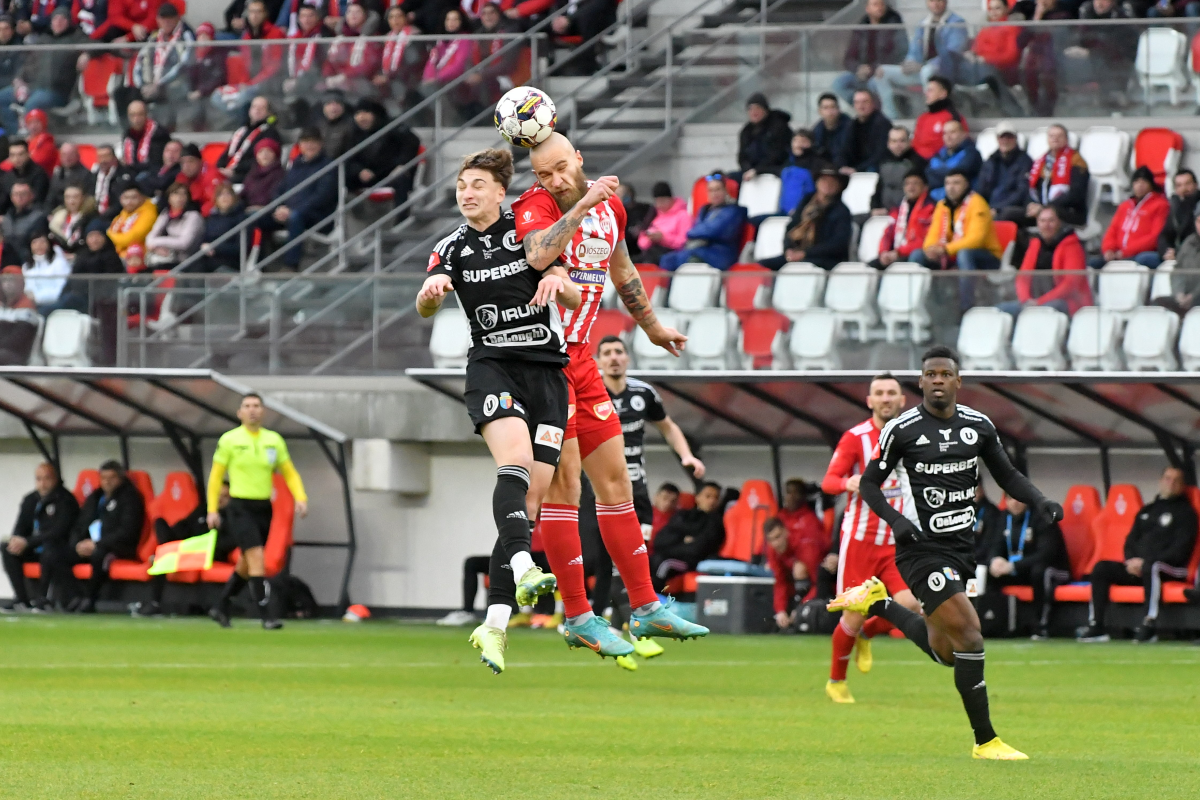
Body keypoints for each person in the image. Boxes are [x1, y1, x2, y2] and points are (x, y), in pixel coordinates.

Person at [515, 130, 707, 663]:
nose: (553, 179)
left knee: (616, 480)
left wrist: (652, 328)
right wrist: (580, 202)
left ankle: (646, 605)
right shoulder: (535, 206)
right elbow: (537, 256)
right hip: (543, 362)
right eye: (543, 173)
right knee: (565, 485)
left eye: (559, 168)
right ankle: (577, 616)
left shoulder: (611, 210)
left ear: (577, 158)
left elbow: (622, 272)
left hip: (583, 358)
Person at [830, 345, 1064, 759]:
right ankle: (986, 741)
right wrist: (897, 522)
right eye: (930, 374)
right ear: (920, 382)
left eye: (945, 373)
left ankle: (879, 603)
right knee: (971, 636)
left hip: (961, 551)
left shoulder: (978, 425)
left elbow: (1006, 474)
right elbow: (868, 484)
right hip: (920, 551)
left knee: (947, 653)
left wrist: (1041, 501)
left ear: (958, 381)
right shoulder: (901, 430)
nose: (937, 379)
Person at [415, 148, 578, 673]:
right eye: (461, 185)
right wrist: (431, 292)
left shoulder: (529, 229)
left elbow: (574, 293)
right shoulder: (451, 247)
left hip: (548, 376)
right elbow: (423, 303)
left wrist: (558, 283)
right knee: (514, 462)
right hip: (493, 367)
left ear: (499, 191)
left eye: (477, 184)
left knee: (528, 504)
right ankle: (527, 567)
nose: (466, 193)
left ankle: (494, 624)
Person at [596, 334, 704, 649]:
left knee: (635, 557)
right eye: (607, 353)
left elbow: (668, 426)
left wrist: (686, 455)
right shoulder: (590, 392)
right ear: (599, 361)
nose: (614, 357)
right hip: (600, 488)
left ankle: (621, 629)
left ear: (627, 358)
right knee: (608, 560)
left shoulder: (643, 393)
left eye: (619, 352)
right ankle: (630, 625)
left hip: (636, 491)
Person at [819, 373, 921, 703]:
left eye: (892, 392)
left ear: (903, 400)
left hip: (897, 541)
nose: (886, 398)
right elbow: (829, 481)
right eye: (879, 393)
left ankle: (868, 633)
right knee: (853, 613)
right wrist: (851, 482)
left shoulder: (914, 437)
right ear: (870, 401)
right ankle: (836, 681)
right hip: (860, 541)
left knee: (912, 604)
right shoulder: (855, 438)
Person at [208, 393, 310, 630]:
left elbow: (289, 472)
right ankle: (266, 615)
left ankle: (221, 606)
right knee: (257, 559)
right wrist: (212, 508)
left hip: (263, 507)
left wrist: (301, 497)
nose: (252, 410)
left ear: (263, 412)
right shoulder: (230, 440)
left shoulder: (273, 440)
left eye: (256, 406)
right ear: (239, 413)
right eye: (247, 406)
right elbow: (215, 477)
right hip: (239, 506)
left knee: (246, 563)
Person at [1078, 466, 1197, 644]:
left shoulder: (1186, 513)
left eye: (1176, 480)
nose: (1170, 484)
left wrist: (1146, 562)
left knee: (1153, 567)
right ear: (1160, 481)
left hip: (1172, 568)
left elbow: (1180, 549)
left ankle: (1149, 623)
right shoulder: (1146, 511)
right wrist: (1131, 561)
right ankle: (1096, 625)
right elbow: (1131, 541)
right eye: (1167, 479)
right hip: (1141, 568)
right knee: (1101, 567)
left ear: (1182, 486)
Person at [981, 493, 1070, 640]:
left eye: (1018, 498)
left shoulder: (1043, 516)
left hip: (1055, 569)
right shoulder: (1003, 517)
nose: (1014, 502)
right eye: (1009, 499)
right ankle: (994, 621)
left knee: (1040, 572)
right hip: (1019, 569)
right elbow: (995, 545)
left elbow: (1046, 554)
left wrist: (1013, 566)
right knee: (988, 572)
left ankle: (1041, 625)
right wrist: (995, 560)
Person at [63, 460, 145, 613]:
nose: (107, 481)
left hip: (118, 547)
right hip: (90, 545)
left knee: (99, 555)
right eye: (103, 477)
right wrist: (77, 544)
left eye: (112, 477)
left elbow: (127, 531)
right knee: (57, 554)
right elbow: (80, 524)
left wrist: (98, 544)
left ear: (121, 478)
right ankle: (74, 597)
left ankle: (90, 600)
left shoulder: (130, 498)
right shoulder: (95, 497)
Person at [1, 463, 79, 612]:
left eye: (47, 479)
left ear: (56, 479)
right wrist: (16, 540)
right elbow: (20, 527)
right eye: (38, 479)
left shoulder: (65, 500)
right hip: (34, 548)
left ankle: (42, 599)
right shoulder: (30, 499)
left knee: (50, 549)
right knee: (7, 548)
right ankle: (21, 599)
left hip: (58, 548)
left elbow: (58, 531)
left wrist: (28, 542)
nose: (42, 484)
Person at [918, 170, 1001, 310]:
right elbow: (933, 232)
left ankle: (966, 307)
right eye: (947, 183)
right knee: (918, 255)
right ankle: (928, 307)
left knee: (965, 254)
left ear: (966, 185)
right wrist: (930, 248)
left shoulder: (977, 204)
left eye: (956, 183)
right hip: (953, 252)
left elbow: (976, 240)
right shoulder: (942, 205)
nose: (951, 187)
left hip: (986, 256)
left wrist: (945, 249)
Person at [873, 0, 968, 120]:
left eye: (939, 1)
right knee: (882, 72)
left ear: (945, 2)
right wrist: (910, 62)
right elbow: (914, 50)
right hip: (922, 70)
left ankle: (930, 114)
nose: (935, 4)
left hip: (945, 71)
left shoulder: (957, 22)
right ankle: (891, 116)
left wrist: (924, 66)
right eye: (931, 1)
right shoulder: (923, 23)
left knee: (926, 71)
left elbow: (953, 53)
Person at [997, 206, 1092, 317]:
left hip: (1066, 303)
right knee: (1001, 310)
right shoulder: (1035, 244)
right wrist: (1025, 301)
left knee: (1049, 309)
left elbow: (1070, 285)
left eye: (1051, 220)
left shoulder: (1072, 246)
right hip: (1033, 302)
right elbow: (1023, 277)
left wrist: (1039, 302)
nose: (1046, 225)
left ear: (1059, 222)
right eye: (1042, 221)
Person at [0, 8, 83, 134]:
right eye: (55, 19)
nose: (58, 22)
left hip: (56, 91)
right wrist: (18, 80)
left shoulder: (76, 38)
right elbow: (28, 63)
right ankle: (16, 134)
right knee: (2, 98)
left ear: (68, 22)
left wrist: (88, 53)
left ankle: (30, 138)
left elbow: (99, 45)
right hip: (33, 87)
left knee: (32, 104)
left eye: (62, 19)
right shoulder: (43, 40)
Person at [211, 0, 286, 125]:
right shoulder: (246, 36)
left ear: (265, 14)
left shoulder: (275, 33)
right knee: (217, 96)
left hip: (269, 82)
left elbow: (275, 65)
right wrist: (242, 82)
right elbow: (244, 64)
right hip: (248, 83)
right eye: (251, 12)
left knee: (244, 95)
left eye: (258, 12)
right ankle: (237, 119)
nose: (254, 15)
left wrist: (252, 83)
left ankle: (240, 123)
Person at [272, 127, 338, 269]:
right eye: (305, 141)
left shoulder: (328, 166)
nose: (309, 145)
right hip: (289, 212)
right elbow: (279, 190)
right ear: (300, 145)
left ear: (321, 144)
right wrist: (279, 207)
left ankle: (291, 265)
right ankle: (256, 265)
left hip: (317, 216)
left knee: (296, 217)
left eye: (313, 142)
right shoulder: (295, 165)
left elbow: (322, 197)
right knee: (255, 217)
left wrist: (292, 210)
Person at [762, 167, 852, 271]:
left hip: (825, 259)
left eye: (832, 182)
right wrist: (788, 250)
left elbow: (838, 244)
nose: (827, 184)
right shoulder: (806, 202)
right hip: (798, 253)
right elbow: (791, 228)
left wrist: (805, 253)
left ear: (839, 187)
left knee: (802, 267)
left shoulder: (841, 211)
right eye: (824, 180)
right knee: (762, 265)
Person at [659, 173, 747, 272]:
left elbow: (711, 230)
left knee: (687, 259)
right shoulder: (705, 210)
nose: (714, 193)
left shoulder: (734, 211)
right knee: (667, 259)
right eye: (711, 190)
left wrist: (692, 232)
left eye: (718, 189)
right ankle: (669, 287)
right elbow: (702, 230)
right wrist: (697, 232)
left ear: (725, 191)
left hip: (720, 255)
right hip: (701, 250)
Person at [127, 3, 193, 128]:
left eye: (170, 18)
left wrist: (159, 84)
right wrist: (142, 85)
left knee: (168, 93)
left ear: (177, 19)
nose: (166, 22)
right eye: (163, 19)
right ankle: (132, 131)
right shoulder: (153, 38)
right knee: (122, 93)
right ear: (158, 20)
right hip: (150, 85)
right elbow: (139, 61)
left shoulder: (186, 36)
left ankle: (162, 130)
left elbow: (183, 65)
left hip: (174, 84)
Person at [650, 481, 725, 591]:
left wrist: (674, 543)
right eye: (708, 496)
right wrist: (682, 539)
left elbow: (698, 549)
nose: (712, 501)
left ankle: (653, 599)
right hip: (670, 555)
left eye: (716, 497)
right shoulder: (683, 514)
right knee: (649, 561)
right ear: (697, 497)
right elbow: (660, 540)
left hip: (691, 561)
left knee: (663, 563)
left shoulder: (716, 522)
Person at [345, 98, 422, 202]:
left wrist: (402, 164)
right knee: (337, 179)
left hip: (390, 175)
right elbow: (350, 158)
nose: (361, 117)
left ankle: (402, 217)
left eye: (366, 112)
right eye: (358, 113)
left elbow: (412, 142)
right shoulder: (355, 133)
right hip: (368, 176)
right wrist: (359, 170)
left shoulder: (392, 126)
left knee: (401, 179)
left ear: (376, 114)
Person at [832, 0, 907, 105]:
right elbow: (849, 57)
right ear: (867, 8)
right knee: (839, 83)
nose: (879, 7)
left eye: (882, 4)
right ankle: (862, 107)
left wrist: (873, 68)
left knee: (874, 84)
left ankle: (873, 111)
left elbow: (899, 53)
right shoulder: (861, 28)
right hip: (862, 72)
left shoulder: (894, 25)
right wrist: (858, 68)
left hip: (881, 72)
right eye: (875, 4)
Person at [1093, 167, 1170, 269]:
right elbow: (1112, 230)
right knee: (1093, 263)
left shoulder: (1161, 205)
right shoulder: (1124, 206)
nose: (1140, 185)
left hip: (1141, 253)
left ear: (1151, 184)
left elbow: (1155, 237)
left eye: (1144, 181)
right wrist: (1109, 250)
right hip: (1118, 254)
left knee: (1144, 259)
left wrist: (1125, 252)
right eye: (1136, 181)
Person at [953, 0, 1022, 114]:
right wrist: (970, 54)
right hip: (979, 68)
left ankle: (1013, 111)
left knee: (989, 73)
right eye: (991, 9)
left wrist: (986, 59)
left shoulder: (1012, 28)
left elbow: (1011, 56)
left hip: (1001, 69)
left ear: (1006, 9)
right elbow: (975, 49)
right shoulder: (985, 29)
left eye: (997, 8)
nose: (993, 12)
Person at [1067, 0, 1136, 110]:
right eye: (1096, 0)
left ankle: (1110, 102)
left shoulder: (1122, 17)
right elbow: (1080, 36)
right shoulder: (1087, 12)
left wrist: (1091, 51)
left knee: (1099, 60)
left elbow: (1117, 45)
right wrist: (1078, 47)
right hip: (1091, 58)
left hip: (1118, 60)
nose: (1099, 4)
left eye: (1104, 0)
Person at [1025, 124, 1089, 228]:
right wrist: (1031, 204)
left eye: (1059, 136)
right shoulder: (1041, 162)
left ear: (1066, 139)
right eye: (1052, 136)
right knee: (1010, 214)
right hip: (1041, 210)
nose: (1055, 139)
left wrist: (1045, 208)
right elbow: (1032, 189)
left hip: (1069, 211)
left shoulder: (1076, 161)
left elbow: (1076, 194)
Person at [871, 170, 934, 270]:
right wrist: (883, 252)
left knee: (913, 258)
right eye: (907, 184)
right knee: (871, 266)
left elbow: (925, 240)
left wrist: (899, 252)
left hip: (914, 253)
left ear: (925, 187)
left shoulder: (931, 208)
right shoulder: (897, 210)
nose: (911, 187)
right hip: (896, 253)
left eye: (915, 183)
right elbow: (887, 234)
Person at [419, 8, 476, 113]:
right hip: (439, 82)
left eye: (455, 19)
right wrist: (427, 79)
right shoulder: (441, 41)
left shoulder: (465, 39)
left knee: (428, 90)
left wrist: (436, 79)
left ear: (461, 21)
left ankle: (450, 121)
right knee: (419, 90)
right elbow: (431, 62)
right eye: (448, 19)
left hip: (457, 81)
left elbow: (458, 66)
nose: (451, 23)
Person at [217, 95, 282, 185]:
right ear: (249, 110)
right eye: (254, 107)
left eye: (262, 108)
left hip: (250, 176)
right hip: (230, 172)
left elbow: (262, 160)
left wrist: (235, 170)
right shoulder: (241, 131)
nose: (257, 110)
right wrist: (220, 167)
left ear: (268, 113)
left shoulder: (269, 133)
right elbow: (227, 153)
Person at [975, 121, 1032, 221]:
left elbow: (1022, 192)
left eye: (1009, 137)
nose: (1005, 140)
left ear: (1015, 139)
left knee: (1006, 214)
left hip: (1012, 208)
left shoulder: (1025, 161)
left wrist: (997, 208)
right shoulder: (990, 161)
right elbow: (981, 188)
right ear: (997, 139)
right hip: (990, 207)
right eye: (1002, 137)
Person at [375, 3, 425, 107]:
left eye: (399, 16)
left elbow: (414, 63)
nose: (395, 20)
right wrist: (380, 75)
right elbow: (379, 61)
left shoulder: (415, 36)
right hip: (390, 79)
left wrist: (389, 77)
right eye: (391, 17)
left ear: (405, 18)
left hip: (409, 80)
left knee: (396, 88)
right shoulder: (387, 39)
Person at [737, 93, 792, 183]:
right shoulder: (746, 131)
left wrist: (758, 170)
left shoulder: (778, 126)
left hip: (775, 169)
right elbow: (742, 157)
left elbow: (778, 155)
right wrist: (747, 169)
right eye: (750, 109)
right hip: (751, 171)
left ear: (765, 110)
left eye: (757, 108)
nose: (754, 112)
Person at [145, 182, 203, 268]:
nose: (180, 197)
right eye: (176, 194)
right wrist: (156, 248)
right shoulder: (165, 214)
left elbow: (184, 243)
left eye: (184, 194)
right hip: (166, 258)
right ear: (169, 198)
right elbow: (149, 240)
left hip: (187, 262)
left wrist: (158, 242)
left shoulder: (193, 216)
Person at [870, 126, 926, 214]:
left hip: (907, 213)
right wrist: (874, 207)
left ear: (910, 142)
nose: (898, 145)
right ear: (888, 143)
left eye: (902, 141)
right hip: (882, 211)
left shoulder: (918, 163)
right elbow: (879, 188)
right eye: (894, 141)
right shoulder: (883, 161)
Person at [912, 76, 966, 161]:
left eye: (930, 90)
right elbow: (915, 143)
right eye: (927, 90)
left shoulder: (953, 117)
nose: (926, 94)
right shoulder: (922, 118)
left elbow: (960, 143)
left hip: (940, 163)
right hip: (918, 161)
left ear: (943, 94)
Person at [196, 183, 247, 272]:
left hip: (230, 260)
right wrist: (204, 246)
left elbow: (240, 248)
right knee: (189, 265)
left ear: (234, 197)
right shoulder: (212, 218)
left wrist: (215, 248)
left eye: (228, 194)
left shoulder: (241, 218)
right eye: (220, 194)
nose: (224, 197)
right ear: (216, 199)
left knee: (199, 268)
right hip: (210, 256)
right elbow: (204, 239)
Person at [925, 119, 980, 202]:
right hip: (935, 203)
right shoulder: (938, 155)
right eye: (945, 133)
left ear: (963, 134)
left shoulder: (971, 154)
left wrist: (936, 174)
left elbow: (958, 174)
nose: (948, 136)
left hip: (963, 203)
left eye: (953, 132)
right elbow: (927, 176)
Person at [635, 182, 690, 265]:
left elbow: (683, 242)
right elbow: (642, 239)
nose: (660, 205)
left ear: (671, 199)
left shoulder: (683, 216)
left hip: (672, 253)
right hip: (652, 252)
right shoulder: (655, 215)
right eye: (657, 202)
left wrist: (663, 238)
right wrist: (650, 239)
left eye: (663, 201)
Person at [22, 227, 72, 314]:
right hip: (32, 305)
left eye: (42, 242)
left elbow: (62, 289)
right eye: (35, 242)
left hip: (55, 305)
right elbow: (28, 288)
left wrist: (37, 297)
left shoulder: (59, 263)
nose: (39, 245)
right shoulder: (27, 266)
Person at [842, 90, 891, 175]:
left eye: (865, 102)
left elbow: (880, 154)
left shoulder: (882, 124)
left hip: (873, 169)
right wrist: (842, 166)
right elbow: (844, 150)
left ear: (873, 103)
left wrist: (857, 169)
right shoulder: (852, 125)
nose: (861, 106)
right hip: (855, 168)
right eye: (857, 102)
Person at [107, 181, 158, 260]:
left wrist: (110, 236)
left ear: (142, 197)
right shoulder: (123, 213)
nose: (129, 202)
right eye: (126, 198)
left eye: (134, 197)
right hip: (119, 256)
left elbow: (131, 239)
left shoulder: (149, 213)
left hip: (138, 259)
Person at [0, 266, 39, 364]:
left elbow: (18, 339)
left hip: (16, 355)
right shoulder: (3, 305)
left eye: (11, 281)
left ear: (20, 283)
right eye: (4, 281)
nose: (8, 284)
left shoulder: (27, 306)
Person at [121, 100, 171, 176]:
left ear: (146, 114)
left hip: (153, 175)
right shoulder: (127, 135)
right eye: (132, 115)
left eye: (140, 115)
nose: (136, 119)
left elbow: (155, 164)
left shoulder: (158, 133)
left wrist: (130, 167)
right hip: (132, 173)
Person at [1158, 170, 1199, 263]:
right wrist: (1166, 251)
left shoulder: (1198, 207)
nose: (1184, 188)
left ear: (1196, 185)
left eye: (1187, 184)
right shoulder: (1175, 207)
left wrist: (1177, 253)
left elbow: (1194, 236)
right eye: (1179, 185)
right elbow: (1165, 234)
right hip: (1175, 254)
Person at [0, 139, 50, 214]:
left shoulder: (39, 175)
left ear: (28, 154)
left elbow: (38, 201)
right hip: (9, 217)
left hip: (32, 216)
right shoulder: (7, 176)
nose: (16, 158)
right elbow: (3, 202)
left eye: (20, 154)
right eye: (12, 155)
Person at [49, 184, 98, 257]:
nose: (71, 201)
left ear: (83, 198)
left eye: (75, 197)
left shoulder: (89, 218)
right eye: (67, 197)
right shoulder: (57, 217)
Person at [175, 143, 223, 216]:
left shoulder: (212, 175)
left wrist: (198, 215)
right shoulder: (181, 176)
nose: (186, 166)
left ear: (200, 161)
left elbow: (213, 202)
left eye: (190, 161)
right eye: (183, 163)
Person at [779, 131, 818, 216]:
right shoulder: (787, 164)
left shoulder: (816, 165)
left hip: (803, 213)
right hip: (783, 211)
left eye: (803, 141)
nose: (798, 145)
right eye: (796, 141)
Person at [2, 182, 44, 263]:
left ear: (32, 196)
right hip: (6, 264)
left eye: (23, 194)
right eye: (16, 194)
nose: (19, 197)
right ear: (11, 197)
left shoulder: (39, 218)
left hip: (28, 262)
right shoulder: (6, 218)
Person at [92, 144, 135, 220]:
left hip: (117, 216)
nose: (103, 160)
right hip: (95, 215)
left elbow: (119, 203)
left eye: (106, 156)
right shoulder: (94, 175)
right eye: (100, 157)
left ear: (114, 157)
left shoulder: (124, 175)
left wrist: (103, 217)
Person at [47, 143, 94, 210]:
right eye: (64, 155)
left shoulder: (86, 175)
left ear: (78, 156)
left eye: (71, 154)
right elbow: (50, 198)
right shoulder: (58, 173)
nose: (67, 158)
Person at [242, 139, 286, 210]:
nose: (264, 155)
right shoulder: (251, 174)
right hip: (248, 210)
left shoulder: (280, 174)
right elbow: (244, 195)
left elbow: (276, 196)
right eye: (260, 151)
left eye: (269, 151)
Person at [812, 93, 851, 171]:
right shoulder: (817, 131)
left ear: (839, 109)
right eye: (826, 108)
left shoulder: (850, 127)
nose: (830, 111)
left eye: (833, 107)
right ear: (820, 111)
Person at [315, 90, 355, 160]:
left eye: (338, 103)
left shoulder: (351, 126)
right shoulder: (318, 125)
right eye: (329, 103)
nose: (333, 108)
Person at [23, 109, 57, 175]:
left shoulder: (47, 143)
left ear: (44, 123)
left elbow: (36, 163)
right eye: (30, 122)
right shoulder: (27, 141)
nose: (33, 126)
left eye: (37, 122)